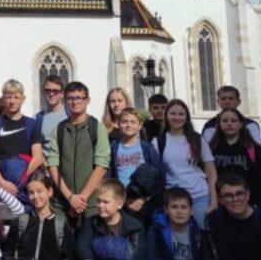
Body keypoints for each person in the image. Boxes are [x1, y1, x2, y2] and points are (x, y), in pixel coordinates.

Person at [47, 80, 110, 225]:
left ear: (87, 100)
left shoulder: (97, 128)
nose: (74, 102)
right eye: (70, 98)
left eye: (79, 98)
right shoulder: (59, 129)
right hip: (62, 203)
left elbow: (101, 166)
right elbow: (53, 165)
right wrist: (70, 198)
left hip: (91, 204)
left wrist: (81, 199)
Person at [153, 99, 217, 224]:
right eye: (173, 114)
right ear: (167, 116)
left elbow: (211, 172)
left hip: (199, 196)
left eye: (181, 114)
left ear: (186, 117)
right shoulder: (158, 141)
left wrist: (213, 202)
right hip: (173, 199)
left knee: (202, 238)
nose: (177, 117)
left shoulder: (197, 139)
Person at [0, 79, 45, 210]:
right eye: (8, 97)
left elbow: (37, 157)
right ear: (3, 99)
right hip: (1, 186)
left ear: (23, 99)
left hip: (25, 187)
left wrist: (21, 181)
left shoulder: (32, 124)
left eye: (16, 97)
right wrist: (1, 182)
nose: (12, 101)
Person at [209, 108, 261, 211]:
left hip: (249, 205)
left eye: (233, 121)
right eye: (225, 121)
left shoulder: (254, 149)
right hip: (221, 205)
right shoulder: (211, 149)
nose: (229, 124)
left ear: (241, 124)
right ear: (219, 124)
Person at [108, 107, 165, 221]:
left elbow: (160, 176)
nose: (128, 125)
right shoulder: (114, 147)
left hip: (142, 203)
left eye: (133, 122)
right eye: (124, 122)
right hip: (121, 202)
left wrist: (145, 200)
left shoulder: (147, 148)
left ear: (139, 126)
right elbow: (110, 176)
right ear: (118, 124)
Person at [35, 75, 68, 152]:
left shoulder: (71, 115)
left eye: (55, 91)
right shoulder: (38, 119)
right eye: (48, 90)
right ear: (43, 93)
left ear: (62, 94)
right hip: (46, 162)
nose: (51, 94)